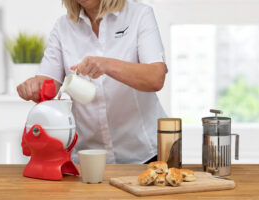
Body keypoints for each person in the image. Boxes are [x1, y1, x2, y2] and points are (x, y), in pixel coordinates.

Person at [17, 0, 168, 164]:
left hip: (144, 155)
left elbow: (156, 77)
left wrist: (108, 65)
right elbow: (48, 83)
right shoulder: (63, 27)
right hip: (88, 157)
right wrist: (33, 86)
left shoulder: (139, 14)